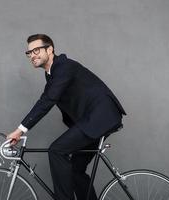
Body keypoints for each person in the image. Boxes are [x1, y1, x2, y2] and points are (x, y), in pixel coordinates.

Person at [7, 34, 126, 200]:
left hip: (100, 117)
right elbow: (49, 98)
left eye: (36, 50)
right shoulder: (52, 74)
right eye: (29, 53)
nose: (32, 55)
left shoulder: (64, 67)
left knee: (56, 150)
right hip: (94, 121)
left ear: (50, 49)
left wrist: (20, 130)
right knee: (74, 170)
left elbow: (47, 100)